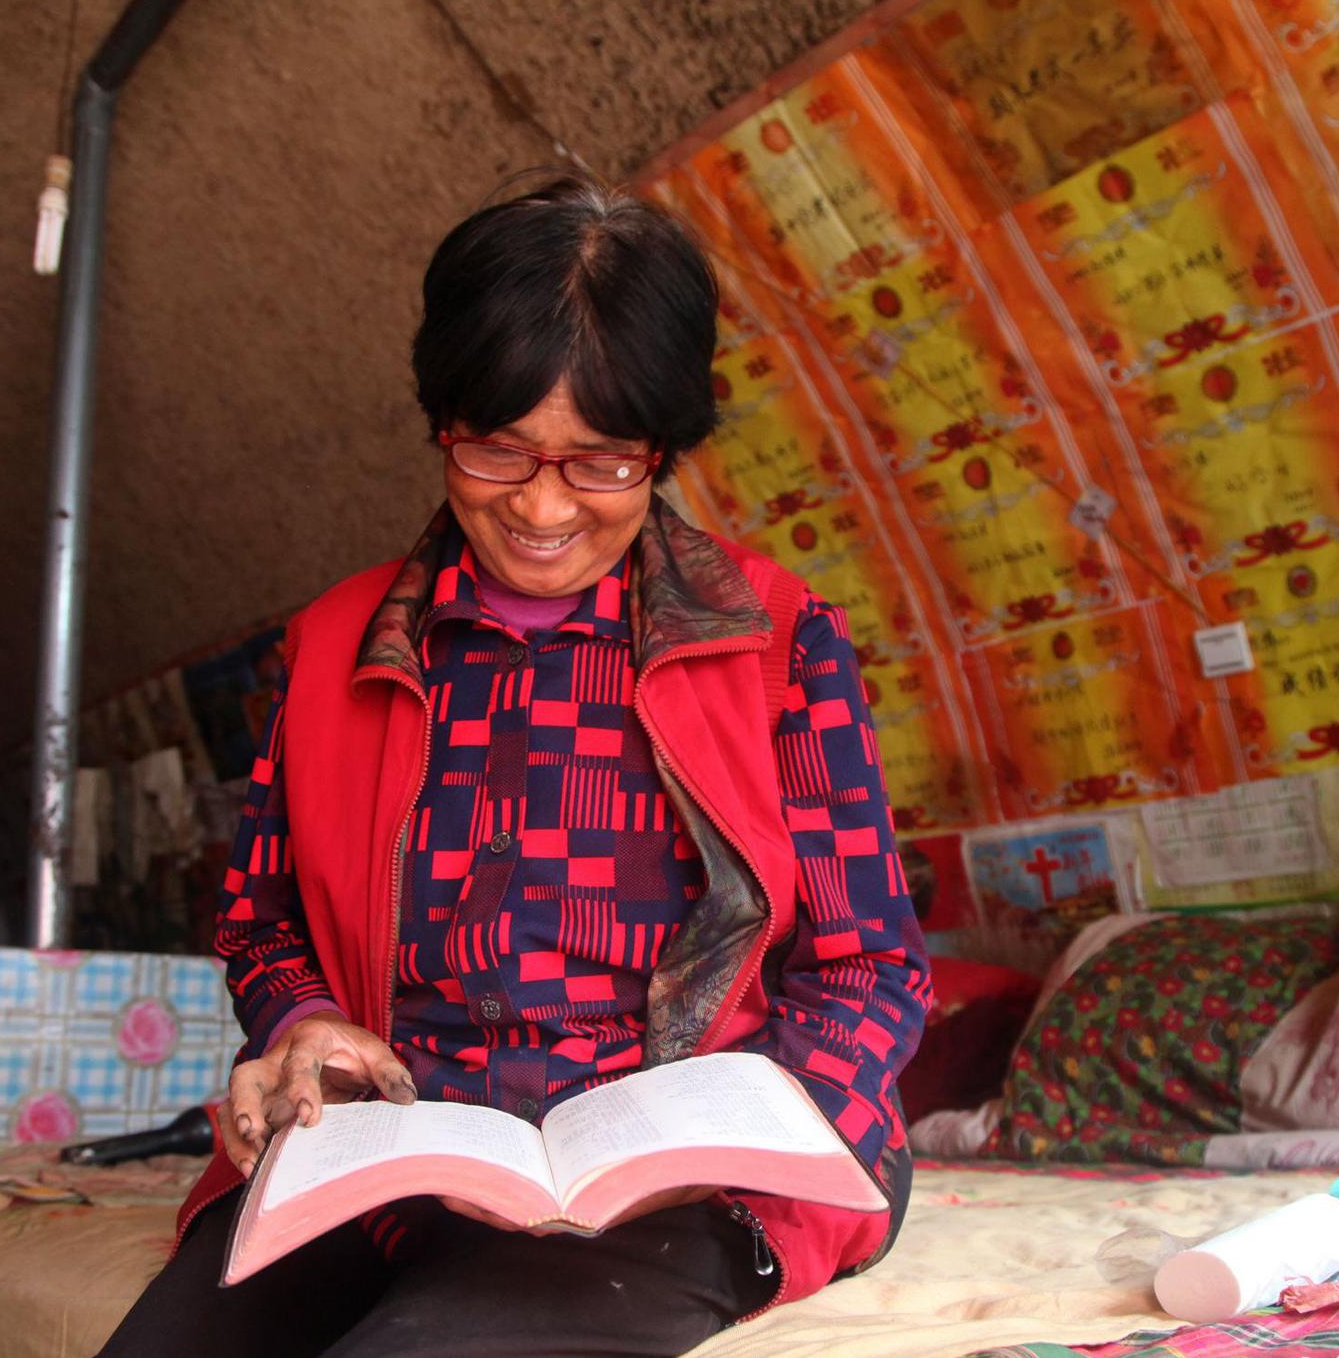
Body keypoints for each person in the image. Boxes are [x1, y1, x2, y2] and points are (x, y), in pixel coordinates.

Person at [98, 173, 930, 1357]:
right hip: (398, 1159)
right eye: (497, 452)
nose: (543, 507)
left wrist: (719, 1146)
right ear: (442, 420)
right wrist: (307, 1022)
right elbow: (260, 917)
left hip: (696, 1189)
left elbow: (870, 971)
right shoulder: (333, 644)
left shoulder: (779, 639)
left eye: (600, 463)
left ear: (665, 448)